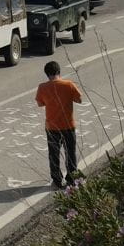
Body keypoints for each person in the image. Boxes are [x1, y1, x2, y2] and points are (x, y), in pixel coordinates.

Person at [35, 60, 83, 188]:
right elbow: (79, 99)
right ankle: (71, 178)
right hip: (68, 125)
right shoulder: (69, 84)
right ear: (59, 72)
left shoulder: (42, 87)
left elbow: (40, 103)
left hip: (52, 127)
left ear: (47, 74)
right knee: (70, 153)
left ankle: (56, 179)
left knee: (53, 154)